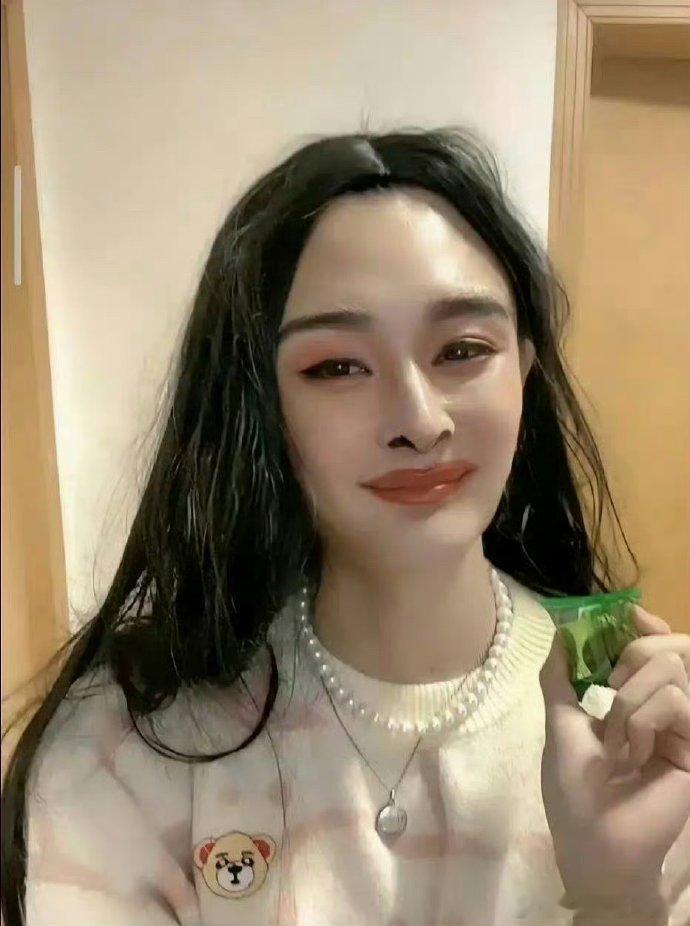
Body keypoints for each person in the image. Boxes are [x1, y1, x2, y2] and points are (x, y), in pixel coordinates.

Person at [1, 126, 689, 926]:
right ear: (262, 404)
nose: (419, 421)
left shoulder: (638, 731)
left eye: (463, 350)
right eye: (337, 366)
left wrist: (620, 898)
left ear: (525, 374)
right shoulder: (133, 741)